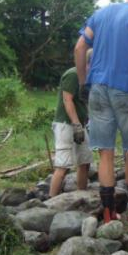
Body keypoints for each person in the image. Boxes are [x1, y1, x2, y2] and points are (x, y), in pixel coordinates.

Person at [74, 0, 128, 224]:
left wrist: (83, 83)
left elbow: (79, 48)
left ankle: (109, 214)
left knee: (105, 153)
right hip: (127, 90)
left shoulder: (100, 14)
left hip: (98, 88)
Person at [49, 66, 93, 197]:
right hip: (66, 124)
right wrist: (76, 124)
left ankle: (82, 195)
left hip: (80, 123)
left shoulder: (87, 78)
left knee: (85, 161)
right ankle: (51, 200)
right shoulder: (73, 75)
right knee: (63, 166)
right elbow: (67, 99)